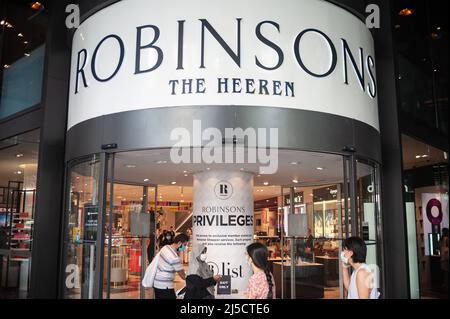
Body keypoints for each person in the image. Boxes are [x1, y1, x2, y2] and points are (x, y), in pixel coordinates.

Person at [153, 233, 189, 299]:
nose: (184, 248)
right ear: (179, 243)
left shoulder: (165, 247)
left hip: (157, 282)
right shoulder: (174, 257)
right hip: (165, 286)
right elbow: (182, 275)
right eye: (184, 245)